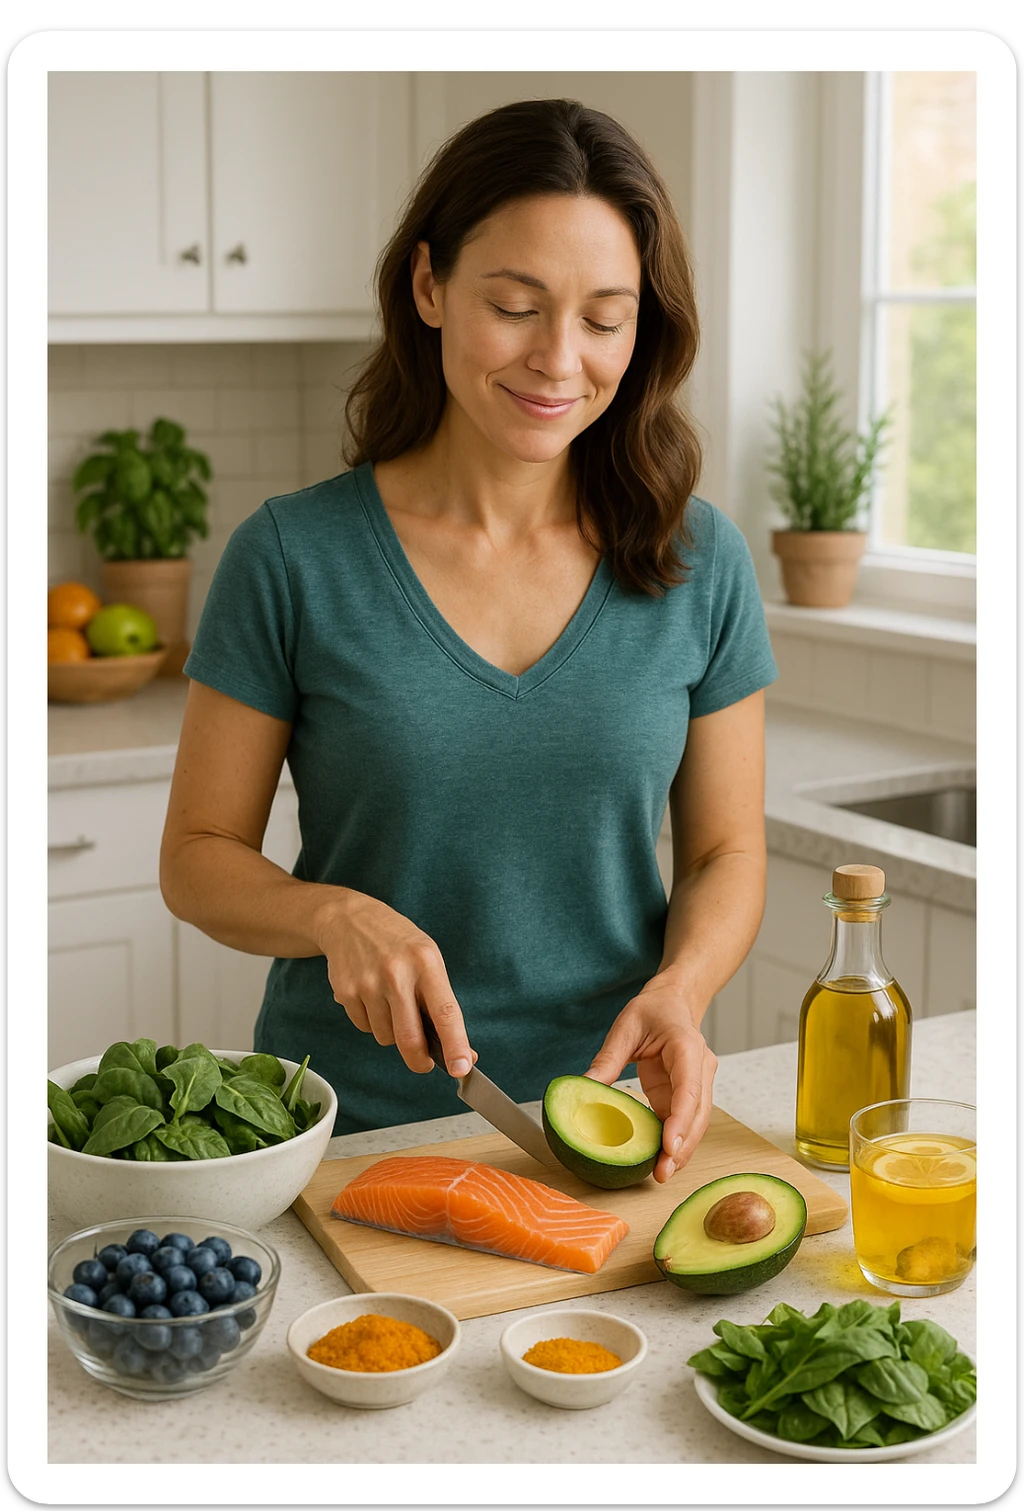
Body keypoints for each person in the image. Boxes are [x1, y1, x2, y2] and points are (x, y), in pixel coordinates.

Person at [159, 98, 778, 1182]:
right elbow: (196, 858)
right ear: (430, 286)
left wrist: (681, 990)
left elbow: (727, 852)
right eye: (515, 306)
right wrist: (332, 914)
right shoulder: (293, 556)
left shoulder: (700, 559)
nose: (558, 359)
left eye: (604, 319)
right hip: (346, 1138)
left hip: (609, 1125)